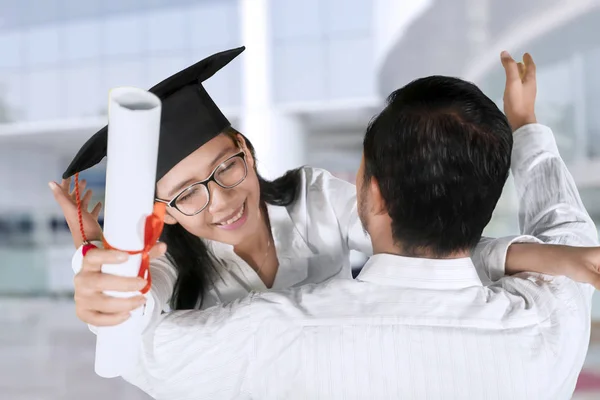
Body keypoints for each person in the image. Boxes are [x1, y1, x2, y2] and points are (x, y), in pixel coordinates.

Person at [79, 51, 599, 399]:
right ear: (163, 211)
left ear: (245, 149)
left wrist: (99, 275)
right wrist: (525, 127)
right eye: (188, 194)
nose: (220, 200)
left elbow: (139, 350)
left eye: (227, 167)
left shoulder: (274, 327)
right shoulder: (552, 319)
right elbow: (561, 228)